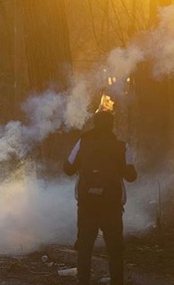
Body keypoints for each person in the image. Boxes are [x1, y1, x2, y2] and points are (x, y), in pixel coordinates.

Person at [63, 107, 137, 285]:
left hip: (87, 204)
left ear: (94, 124)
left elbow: (68, 168)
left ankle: (83, 281)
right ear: (112, 126)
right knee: (115, 249)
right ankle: (117, 282)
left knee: (85, 246)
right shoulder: (122, 146)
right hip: (111, 206)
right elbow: (131, 176)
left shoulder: (83, 142)